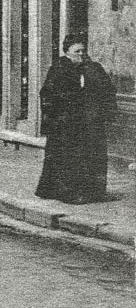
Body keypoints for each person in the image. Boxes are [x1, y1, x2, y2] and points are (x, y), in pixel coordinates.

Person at [36, 40, 117, 204]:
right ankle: (68, 192)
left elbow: (107, 90)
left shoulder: (93, 68)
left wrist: (103, 111)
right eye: (77, 52)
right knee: (68, 158)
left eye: (83, 51)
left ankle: (93, 192)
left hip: (90, 122)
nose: (81, 55)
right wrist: (56, 117)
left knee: (91, 157)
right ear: (66, 52)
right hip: (66, 123)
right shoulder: (59, 69)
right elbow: (48, 94)